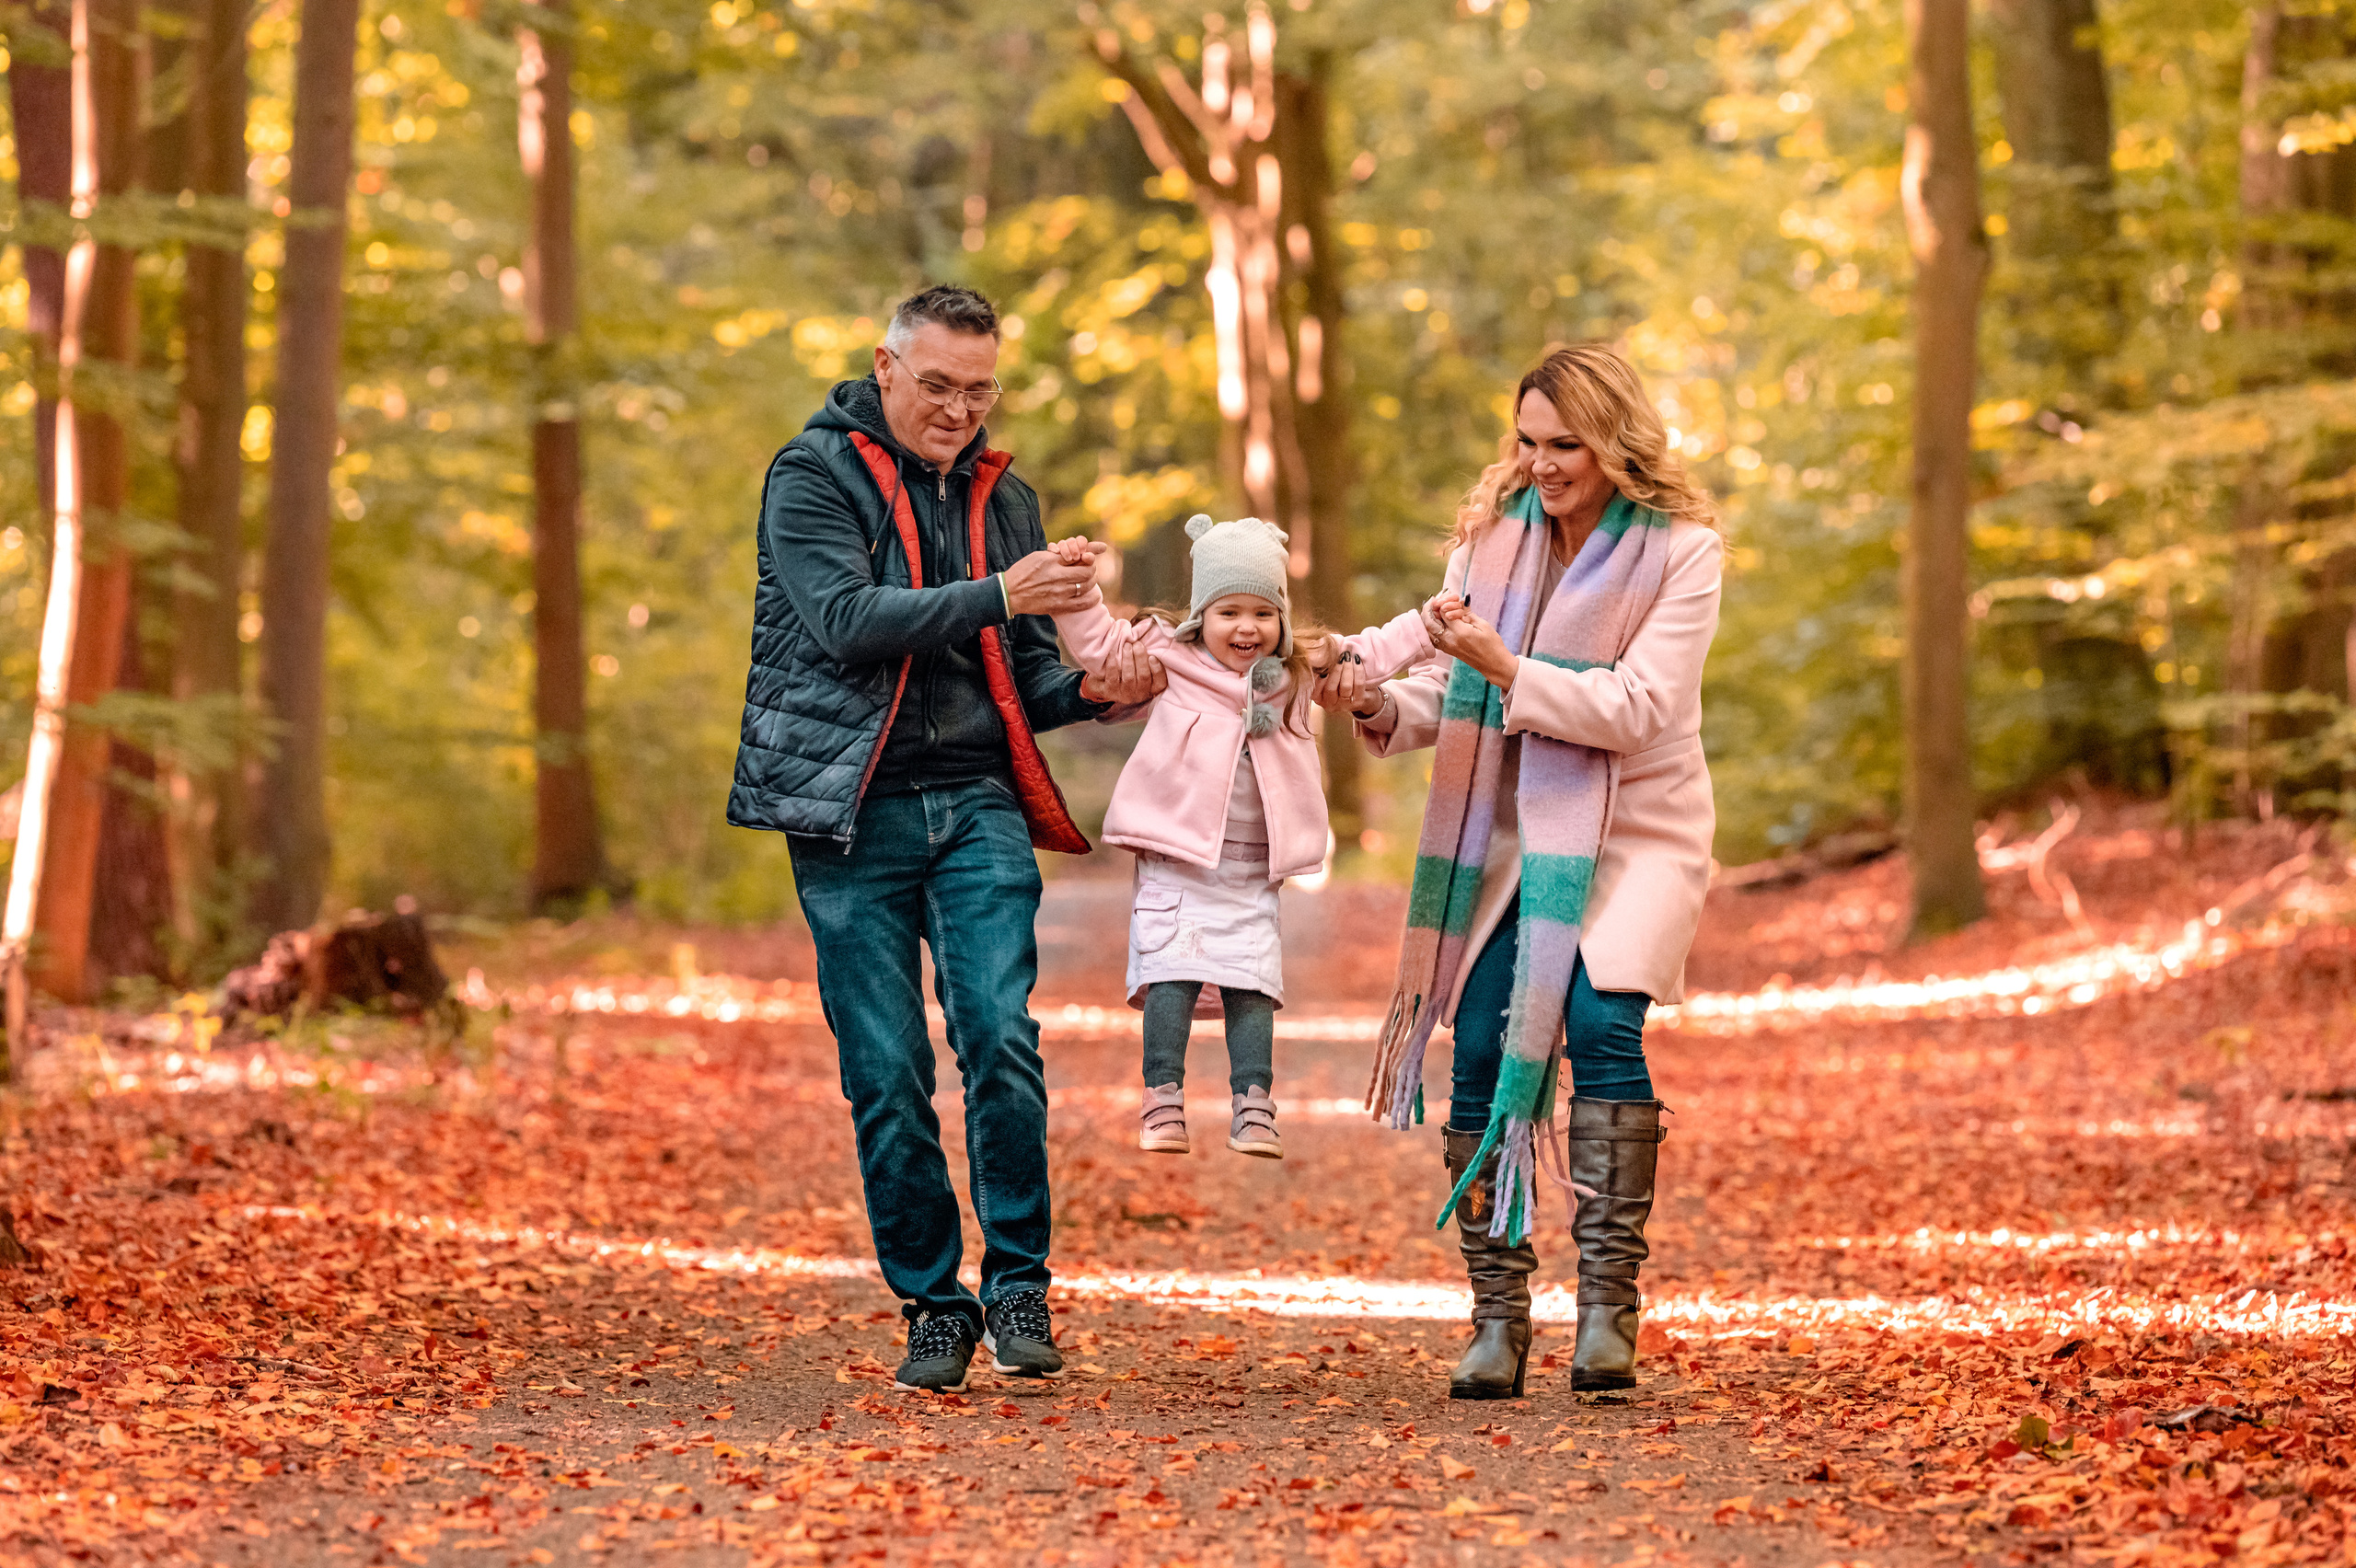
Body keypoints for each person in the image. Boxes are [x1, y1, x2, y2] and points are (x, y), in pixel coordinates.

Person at [726, 285, 1165, 1394]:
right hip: (847, 809)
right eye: (938, 385)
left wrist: (1101, 691)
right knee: (884, 1071)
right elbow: (844, 622)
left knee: (999, 1039)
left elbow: (1021, 678)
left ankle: (1019, 1281)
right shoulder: (808, 476)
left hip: (975, 798)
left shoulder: (1003, 498)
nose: (959, 409)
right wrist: (999, 592)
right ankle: (933, 1302)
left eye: (980, 389)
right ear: (885, 366)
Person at [1320, 342, 1722, 1400]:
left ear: (1615, 444)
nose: (1542, 466)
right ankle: (1497, 1315)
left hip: (1638, 829)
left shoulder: (1683, 552)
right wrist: (1371, 703)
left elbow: (1639, 711)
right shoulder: (1490, 547)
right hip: (1512, 838)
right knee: (1483, 1039)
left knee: (1599, 1028)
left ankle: (1605, 1313)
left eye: (1565, 446)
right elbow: (1452, 707)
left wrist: (1505, 668)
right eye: (1528, 443)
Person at [1045, 516, 1433, 1160]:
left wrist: (1427, 626)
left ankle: (1254, 1105)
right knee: (1170, 972)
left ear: (1282, 617)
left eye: (1262, 612)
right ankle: (1161, 1098)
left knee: (1252, 984)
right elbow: (1103, 651)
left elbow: (1374, 650)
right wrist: (1079, 588)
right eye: (1229, 612)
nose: (1247, 628)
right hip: (1178, 859)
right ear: (1202, 615)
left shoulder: (1297, 671)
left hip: (1252, 868)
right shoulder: (1171, 658)